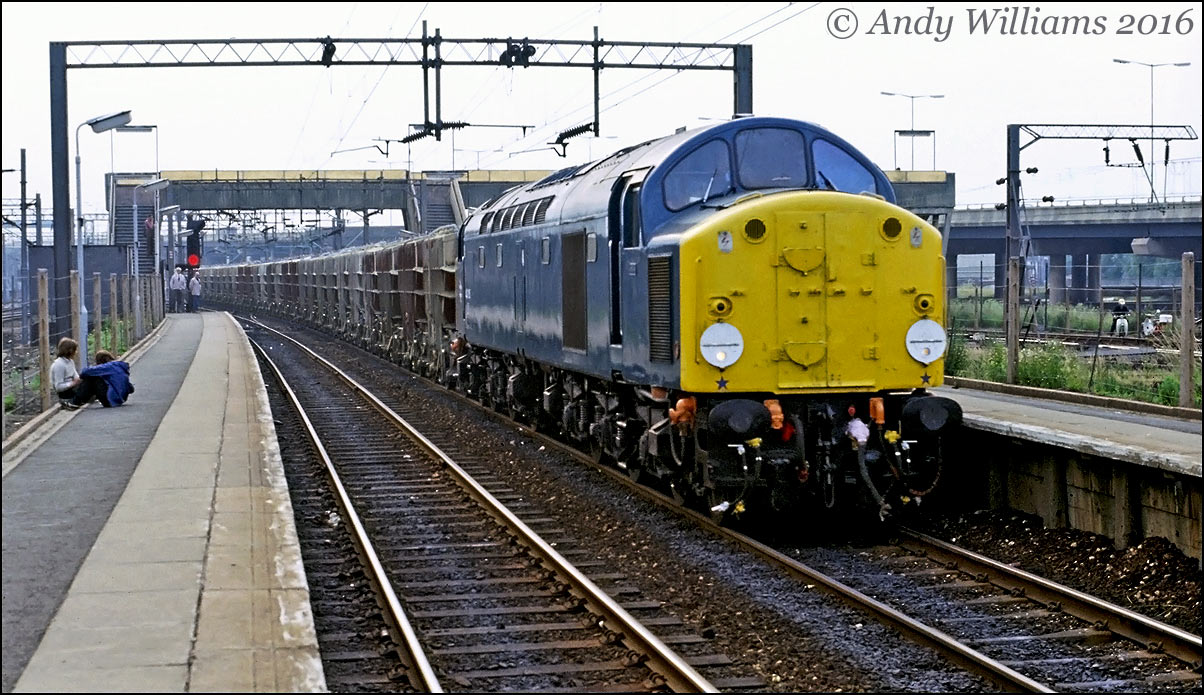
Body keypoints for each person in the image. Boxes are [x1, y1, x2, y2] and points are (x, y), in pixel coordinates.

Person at [70, 349, 135, 408]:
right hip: (120, 399)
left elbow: (86, 371)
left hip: (110, 399)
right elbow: (131, 389)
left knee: (91, 378)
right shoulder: (119, 366)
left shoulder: (107, 367)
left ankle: (75, 401)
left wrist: (80, 378)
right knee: (98, 378)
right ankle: (82, 399)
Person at [51, 337, 82, 408]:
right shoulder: (59, 364)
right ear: (70, 351)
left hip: (73, 388)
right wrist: (73, 383)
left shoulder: (70, 362)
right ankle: (71, 402)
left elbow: (76, 376)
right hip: (65, 393)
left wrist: (79, 380)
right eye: (75, 350)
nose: (76, 353)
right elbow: (58, 387)